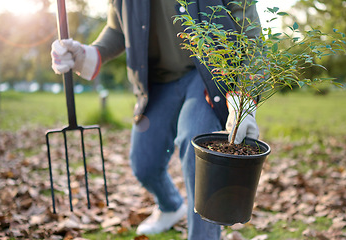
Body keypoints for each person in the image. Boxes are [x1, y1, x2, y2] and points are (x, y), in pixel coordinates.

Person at [51, 0, 260, 239]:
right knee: (144, 164)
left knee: (197, 149)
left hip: (206, 76)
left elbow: (250, 33)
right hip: (159, 81)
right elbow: (119, 28)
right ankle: (171, 206)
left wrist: (245, 96)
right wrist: (86, 54)